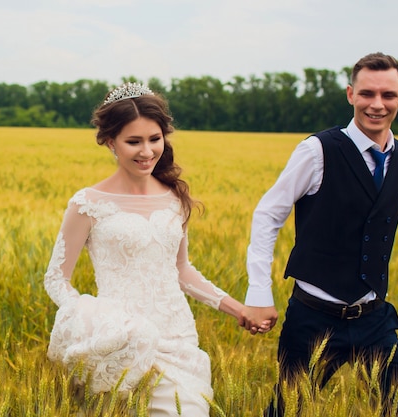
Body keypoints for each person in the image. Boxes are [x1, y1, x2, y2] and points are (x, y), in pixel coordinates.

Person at [43, 82, 267, 416]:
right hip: (118, 341)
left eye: (154, 139)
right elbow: (56, 279)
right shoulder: (88, 203)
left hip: (176, 336)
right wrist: (93, 322)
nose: (147, 151)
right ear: (109, 142)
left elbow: (181, 271)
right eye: (133, 141)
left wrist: (239, 310)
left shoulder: (174, 198)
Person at [242, 53, 398, 415]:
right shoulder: (317, 151)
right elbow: (268, 213)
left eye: (387, 95)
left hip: (373, 316)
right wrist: (258, 292)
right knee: (287, 410)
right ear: (350, 94)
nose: (377, 104)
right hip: (314, 317)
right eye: (367, 93)